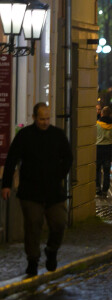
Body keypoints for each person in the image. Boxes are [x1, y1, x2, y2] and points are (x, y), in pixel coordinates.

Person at [1, 103, 73, 277]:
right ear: (34, 118)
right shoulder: (25, 136)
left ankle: (51, 250)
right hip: (31, 191)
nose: (45, 122)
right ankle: (32, 260)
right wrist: (6, 184)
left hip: (54, 191)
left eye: (47, 118)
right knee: (33, 225)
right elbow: (12, 159)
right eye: (41, 119)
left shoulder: (57, 135)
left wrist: (59, 175)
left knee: (59, 223)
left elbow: (68, 158)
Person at [96, 106, 112, 197]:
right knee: (106, 170)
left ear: (101, 114)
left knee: (97, 169)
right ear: (110, 114)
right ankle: (105, 190)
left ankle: (97, 188)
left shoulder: (97, 124)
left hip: (98, 148)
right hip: (108, 149)